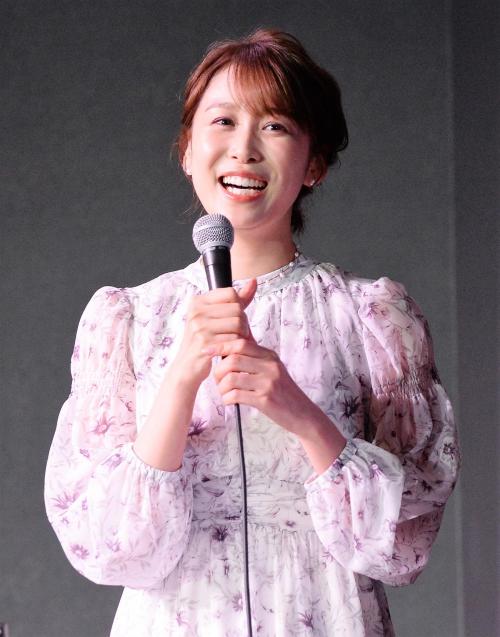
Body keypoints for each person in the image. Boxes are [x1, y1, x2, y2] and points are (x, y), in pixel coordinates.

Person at [44, 28, 460, 636]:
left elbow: (405, 538)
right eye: (222, 122)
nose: (243, 149)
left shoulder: (370, 316)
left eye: (274, 126)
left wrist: (300, 412)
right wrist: (181, 378)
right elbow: (108, 546)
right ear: (188, 151)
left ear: (314, 163)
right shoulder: (130, 319)